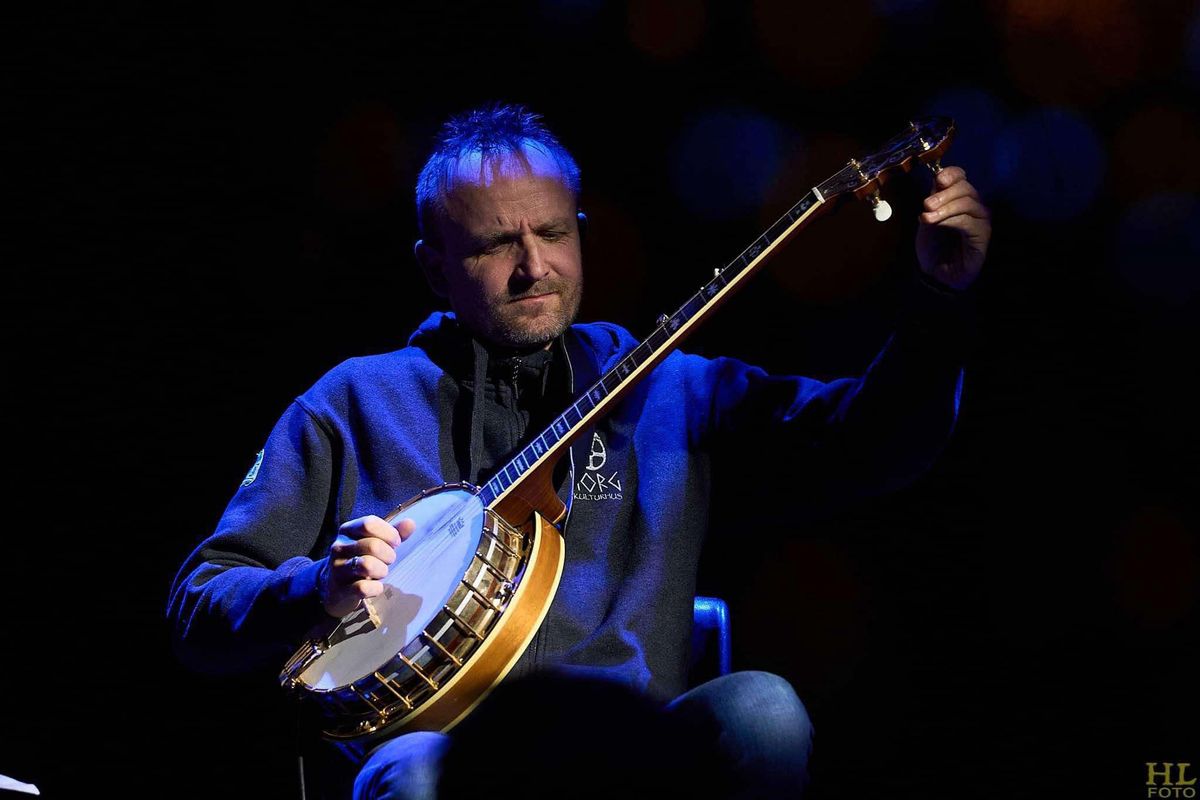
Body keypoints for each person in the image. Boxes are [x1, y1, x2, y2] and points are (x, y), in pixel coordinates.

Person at [168, 103, 991, 799]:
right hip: (456, 757)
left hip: (632, 756)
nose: (535, 267)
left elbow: (871, 446)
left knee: (763, 712)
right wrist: (320, 585)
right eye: (495, 246)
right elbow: (201, 604)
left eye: (554, 233)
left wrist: (939, 305)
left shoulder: (666, 386)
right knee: (412, 775)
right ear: (434, 269)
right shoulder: (355, 403)